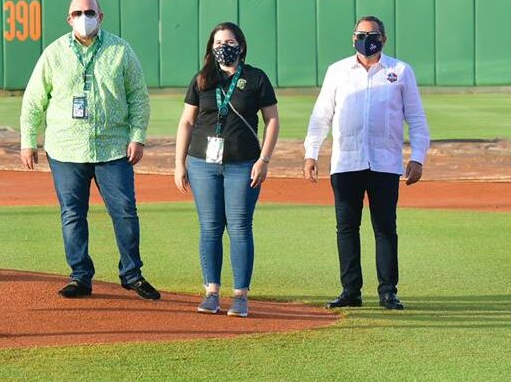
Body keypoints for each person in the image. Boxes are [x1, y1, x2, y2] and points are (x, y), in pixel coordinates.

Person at [19, 0, 160, 301]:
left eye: (90, 12)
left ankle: (132, 274)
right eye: (78, 13)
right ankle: (80, 276)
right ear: (69, 19)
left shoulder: (120, 51)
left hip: (112, 148)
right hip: (66, 149)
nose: (85, 17)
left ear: (101, 16)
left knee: (124, 211)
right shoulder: (54, 53)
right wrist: (28, 141)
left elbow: (138, 96)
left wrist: (137, 136)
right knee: (72, 214)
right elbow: (33, 100)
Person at [304, 16, 429, 311]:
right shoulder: (338, 72)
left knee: (385, 227)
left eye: (372, 34)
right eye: (361, 34)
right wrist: (312, 152)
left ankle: (388, 291)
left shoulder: (399, 72)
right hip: (347, 161)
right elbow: (321, 115)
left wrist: (418, 158)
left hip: (385, 162)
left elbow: (417, 119)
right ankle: (350, 290)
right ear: (353, 38)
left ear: (384, 39)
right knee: (346, 227)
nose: (366, 39)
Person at [173, 22, 279, 318]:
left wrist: (264, 159)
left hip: (243, 163)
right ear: (211, 47)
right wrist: (178, 162)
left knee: (240, 227)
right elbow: (186, 122)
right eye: (218, 42)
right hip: (202, 163)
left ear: (241, 46)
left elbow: (272, 120)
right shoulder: (203, 79)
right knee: (209, 227)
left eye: (229, 41)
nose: (224, 46)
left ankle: (241, 295)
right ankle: (211, 292)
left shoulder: (256, 78)